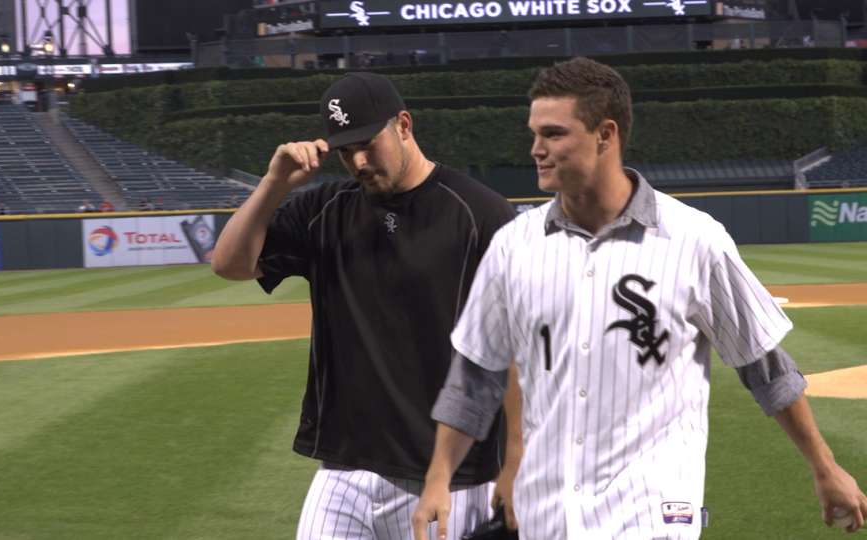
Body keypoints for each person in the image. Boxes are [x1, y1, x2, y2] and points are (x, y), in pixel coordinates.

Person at [412, 57, 867, 540]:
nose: (536, 150)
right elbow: (475, 379)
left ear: (605, 135)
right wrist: (438, 480)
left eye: (553, 134)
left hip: (651, 509)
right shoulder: (513, 247)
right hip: (548, 511)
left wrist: (825, 466)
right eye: (535, 133)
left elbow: (764, 366)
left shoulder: (694, 240)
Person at [211, 72, 521, 540]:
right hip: (343, 470)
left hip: (447, 475)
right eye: (344, 149)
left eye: (366, 143)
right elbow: (229, 264)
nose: (357, 160)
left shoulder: (480, 214)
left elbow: (519, 349)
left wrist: (516, 462)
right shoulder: (324, 210)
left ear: (403, 125)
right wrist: (275, 184)